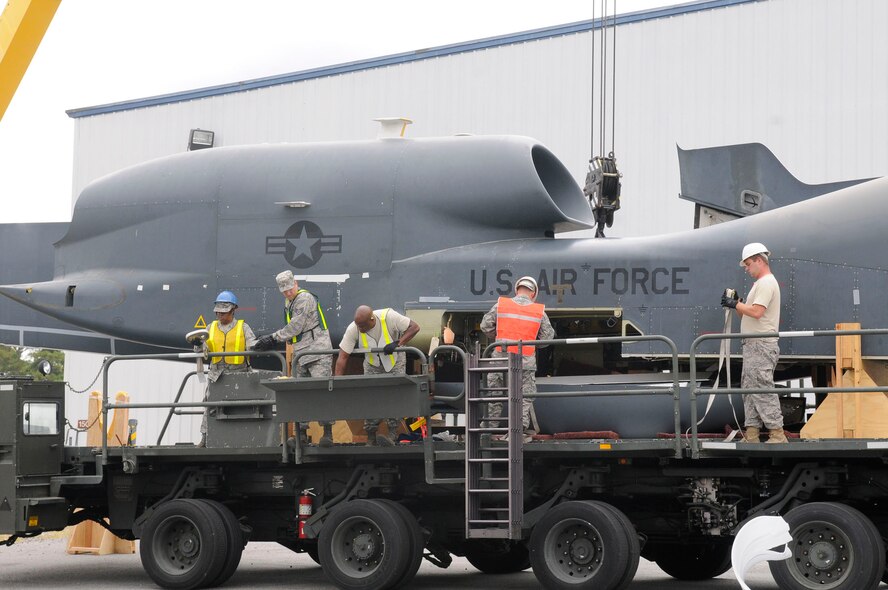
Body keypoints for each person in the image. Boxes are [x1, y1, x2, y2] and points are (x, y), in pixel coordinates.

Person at [253, 270, 335, 447]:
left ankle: (328, 433)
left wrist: (273, 338)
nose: (288, 293)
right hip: (301, 352)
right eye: (284, 291)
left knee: (323, 392)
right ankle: (302, 435)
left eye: (290, 289)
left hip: (317, 352)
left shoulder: (304, 299)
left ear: (296, 284)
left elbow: (296, 326)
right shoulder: (290, 301)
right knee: (299, 394)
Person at [721, 242, 786, 444]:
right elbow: (750, 316)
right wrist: (738, 305)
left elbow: (757, 313)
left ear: (759, 260)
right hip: (753, 344)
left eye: (748, 264)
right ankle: (752, 433)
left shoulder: (766, 283)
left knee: (760, 387)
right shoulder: (760, 284)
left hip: (760, 344)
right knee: (751, 388)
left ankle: (777, 432)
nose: (747, 269)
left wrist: (736, 304)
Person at [480, 275, 554, 443]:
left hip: (500, 359)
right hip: (525, 361)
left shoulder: (501, 305)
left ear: (516, 289)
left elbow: (485, 326)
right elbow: (548, 337)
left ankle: (489, 432)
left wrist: (499, 338)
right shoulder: (538, 310)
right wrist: (532, 344)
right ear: (533, 293)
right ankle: (517, 432)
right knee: (524, 396)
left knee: (495, 395)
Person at [334, 305, 420, 446]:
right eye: (358, 326)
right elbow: (342, 356)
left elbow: (415, 327)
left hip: (395, 363)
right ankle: (370, 436)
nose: (360, 329)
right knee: (371, 398)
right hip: (372, 365)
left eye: (363, 325)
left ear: (372, 319)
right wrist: (337, 381)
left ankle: (392, 434)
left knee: (395, 397)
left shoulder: (390, 317)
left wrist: (398, 342)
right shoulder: (353, 328)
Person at [199, 290, 257, 447]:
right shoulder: (210, 327)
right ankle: (205, 437)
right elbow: (203, 348)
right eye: (218, 312)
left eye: (224, 312)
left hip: (239, 374)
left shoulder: (242, 327)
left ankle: (246, 439)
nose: (220, 315)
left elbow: (252, 345)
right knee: (210, 405)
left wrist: (257, 346)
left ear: (233, 310)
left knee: (244, 406)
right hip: (217, 374)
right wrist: (198, 345)